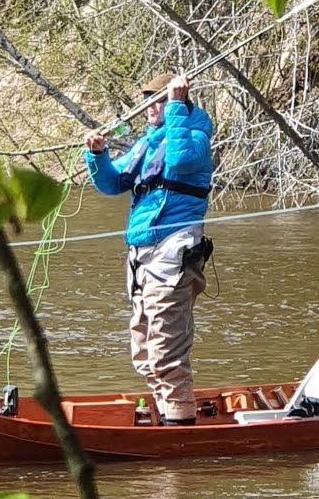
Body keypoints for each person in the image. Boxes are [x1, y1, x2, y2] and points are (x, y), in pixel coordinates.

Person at [84, 72, 214, 426]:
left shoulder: (195, 133)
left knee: (166, 350)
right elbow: (113, 183)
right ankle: (167, 414)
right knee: (142, 349)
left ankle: (179, 424)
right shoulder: (147, 142)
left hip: (174, 250)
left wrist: (175, 107)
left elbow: (183, 160)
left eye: (156, 99)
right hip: (141, 254)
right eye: (146, 99)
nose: (149, 107)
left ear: (176, 100)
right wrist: (96, 155)